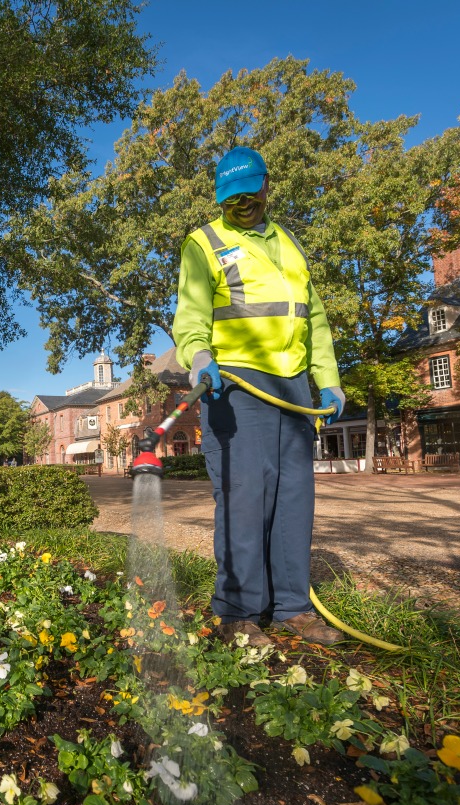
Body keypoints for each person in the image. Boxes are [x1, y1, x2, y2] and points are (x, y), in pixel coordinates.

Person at [172, 146, 346, 647]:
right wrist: (199, 357)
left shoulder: (289, 245)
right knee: (244, 499)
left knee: (294, 499)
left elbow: (312, 318)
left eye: (249, 194)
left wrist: (328, 379)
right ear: (220, 198)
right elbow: (191, 316)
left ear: (267, 185)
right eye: (231, 199)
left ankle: (292, 607)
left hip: (291, 388)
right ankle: (239, 615)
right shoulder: (203, 243)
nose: (241, 206)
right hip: (234, 387)